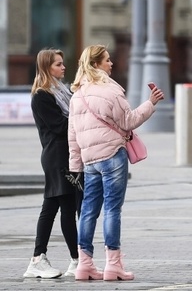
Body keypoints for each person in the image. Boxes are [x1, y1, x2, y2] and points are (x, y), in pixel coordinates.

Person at [68, 44, 164, 280]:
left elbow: (72, 135)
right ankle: (113, 264)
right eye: (107, 60)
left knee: (88, 210)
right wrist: (150, 102)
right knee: (112, 209)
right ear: (97, 64)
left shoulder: (77, 95)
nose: (111, 64)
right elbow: (129, 121)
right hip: (112, 155)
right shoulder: (111, 91)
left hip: (90, 160)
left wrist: (75, 166)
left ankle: (84, 264)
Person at [24, 49, 81, 279]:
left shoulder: (62, 91)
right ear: (47, 67)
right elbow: (59, 126)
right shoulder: (42, 95)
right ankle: (74, 260)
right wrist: (82, 118)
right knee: (65, 207)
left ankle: (41, 258)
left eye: (62, 63)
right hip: (56, 156)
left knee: (53, 207)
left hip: (64, 155)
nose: (63, 67)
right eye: (58, 64)